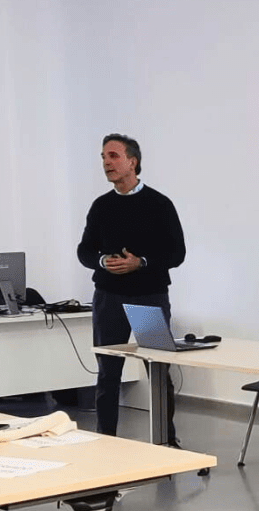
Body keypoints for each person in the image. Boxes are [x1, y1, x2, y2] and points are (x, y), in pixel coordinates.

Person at [77, 133, 187, 443]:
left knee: (157, 372)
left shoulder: (159, 204)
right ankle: (106, 441)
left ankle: (166, 440)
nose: (106, 163)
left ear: (132, 162)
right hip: (109, 298)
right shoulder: (101, 206)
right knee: (108, 372)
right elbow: (84, 250)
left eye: (113, 156)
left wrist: (141, 263)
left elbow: (176, 253)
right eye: (103, 157)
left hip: (147, 298)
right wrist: (102, 261)